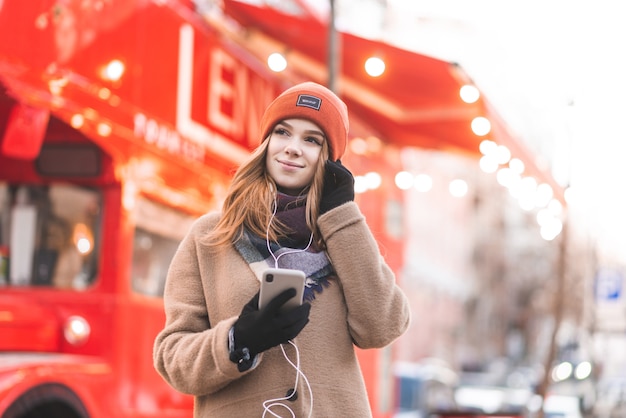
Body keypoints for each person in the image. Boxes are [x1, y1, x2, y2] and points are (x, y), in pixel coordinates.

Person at [153, 81, 411, 417]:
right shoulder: (210, 236)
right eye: (282, 132)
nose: (292, 148)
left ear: (330, 160)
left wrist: (342, 215)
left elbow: (382, 326)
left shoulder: (344, 240)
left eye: (311, 140)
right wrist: (237, 340)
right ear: (266, 143)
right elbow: (172, 357)